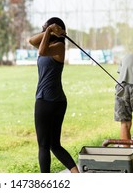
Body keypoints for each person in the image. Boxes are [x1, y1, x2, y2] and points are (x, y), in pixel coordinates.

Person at [28, 17, 79, 173]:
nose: (44, 29)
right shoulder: (49, 43)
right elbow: (31, 40)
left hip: (47, 101)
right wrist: (48, 30)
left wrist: (50, 30)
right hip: (55, 101)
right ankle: (77, 174)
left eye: (46, 27)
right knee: (54, 145)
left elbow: (41, 51)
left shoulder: (58, 47)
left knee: (44, 145)